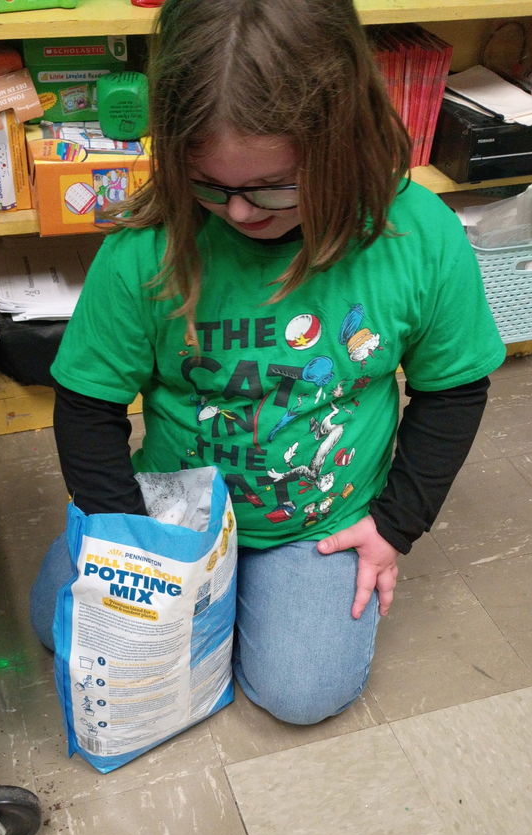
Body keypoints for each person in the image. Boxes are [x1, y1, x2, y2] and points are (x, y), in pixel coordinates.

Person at [31, 0, 505, 726]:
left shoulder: (419, 234)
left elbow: (454, 392)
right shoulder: (144, 250)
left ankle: (252, 596)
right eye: (209, 183)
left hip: (317, 523)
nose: (241, 214)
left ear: (344, 143)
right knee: (53, 625)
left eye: (275, 186)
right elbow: (87, 407)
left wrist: (393, 526)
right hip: (174, 511)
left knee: (300, 693)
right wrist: (131, 541)